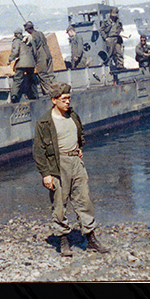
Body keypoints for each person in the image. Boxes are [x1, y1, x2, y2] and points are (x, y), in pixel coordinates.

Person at [33, 82, 109, 257]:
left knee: (84, 201)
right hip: (57, 166)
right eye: (64, 99)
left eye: (69, 98)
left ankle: (91, 239)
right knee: (59, 204)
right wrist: (46, 174)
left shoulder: (73, 115)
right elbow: (38, 151)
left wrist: (79, 148)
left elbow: (80, 134)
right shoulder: (44, 122)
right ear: (54, 100)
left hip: (76, 162)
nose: (68, 102)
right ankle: (63, 241)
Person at [23, 21, 55, 95]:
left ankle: (49, 91)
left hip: (41, 56)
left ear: (27, 30)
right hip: (48, 53)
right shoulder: (40, 33)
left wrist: (33, 59)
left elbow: (34, 49)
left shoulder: (32, 37)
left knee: (42, 74)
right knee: (50, 73)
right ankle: (56, 88)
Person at [9, 28, 38, 103]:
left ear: (15, 35)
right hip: (31, 63)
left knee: (17, 79)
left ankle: (14, 96)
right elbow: (34, 52)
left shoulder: (17, 41)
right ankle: (35, 95)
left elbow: (15, 52)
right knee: (32, 79)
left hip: (21, 64)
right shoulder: (29, 40)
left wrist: (10, 59)